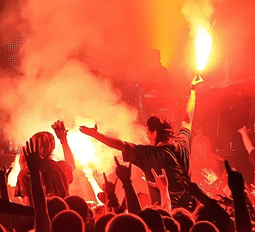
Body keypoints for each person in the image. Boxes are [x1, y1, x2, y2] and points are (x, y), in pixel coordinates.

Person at [80, 76, 203, 210]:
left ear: (155, 133)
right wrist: (193, 91)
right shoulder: (183, 143)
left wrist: (95, 134)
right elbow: (187, 119)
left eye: (149, 133)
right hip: (190, 211)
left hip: (165, 214)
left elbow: (120, 145)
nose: (148, 137)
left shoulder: (149, 154)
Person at [15, 120, 76, 204]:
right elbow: (71, 165)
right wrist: (63, 140)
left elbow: (26, 202)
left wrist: (23, 164)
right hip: (62, 213)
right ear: (53, 146)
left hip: (41, 216)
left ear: (31, 147)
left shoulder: (26, 173)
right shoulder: (62, 167)